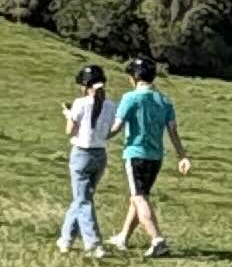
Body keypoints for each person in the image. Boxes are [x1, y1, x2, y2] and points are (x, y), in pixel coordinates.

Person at [110, 56, 188, 256]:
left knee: (139, 198)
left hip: (135, 154)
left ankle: (157, 239)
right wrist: (182, 156)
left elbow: (116, 127)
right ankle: (123, 237)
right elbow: (173, 131)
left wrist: (96, 136)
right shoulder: (164, 100)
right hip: (156, 157)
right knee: (139, 198)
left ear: (135, 77)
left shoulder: (130, 98)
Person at [57, 62, 115, 256]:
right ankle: (66, 239)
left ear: (85, 85)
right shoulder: (110, 105)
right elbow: (110, 130)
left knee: (82, 202)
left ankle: (93, 243)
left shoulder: (80, 103)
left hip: (81, 153)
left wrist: (68, 114)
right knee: (82, 198)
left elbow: (70, 131)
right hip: (100, 154)